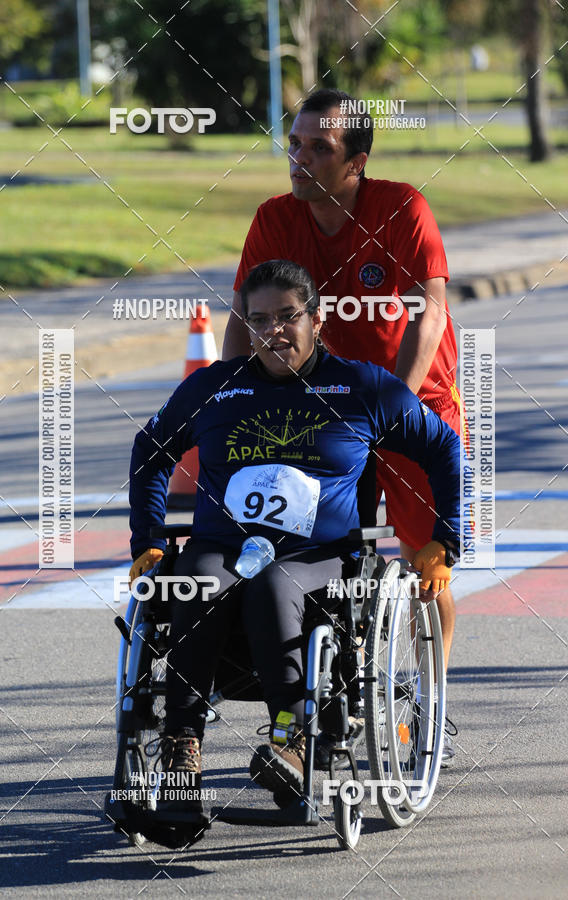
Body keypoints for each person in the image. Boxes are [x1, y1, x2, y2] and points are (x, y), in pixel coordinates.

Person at [129, 260, 460, 811]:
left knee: (273, 581)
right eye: (259, 320)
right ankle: (182, 750)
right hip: (223, 547)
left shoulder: (362, 387)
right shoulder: (216, 386)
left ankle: (293, 739)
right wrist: (150, 540)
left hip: (316, 556)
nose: (273, 331)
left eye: (287, 317)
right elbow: (151, 450)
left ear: (317, 319)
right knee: (196, 581)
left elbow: (444, 449)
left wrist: (444, 540)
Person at [222, 88, 463, 765]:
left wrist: (395, 412)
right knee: (309, 552)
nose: (297, 158)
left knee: (425, 567)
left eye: (317, 148)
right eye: (293, 143)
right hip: (317, 413)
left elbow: (430, 315)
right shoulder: (275, 218)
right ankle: (315, 712)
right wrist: (229, 405)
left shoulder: (402, 207)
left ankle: (426, 699)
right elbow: (246, 320)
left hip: (413, 404)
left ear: (356, 162)